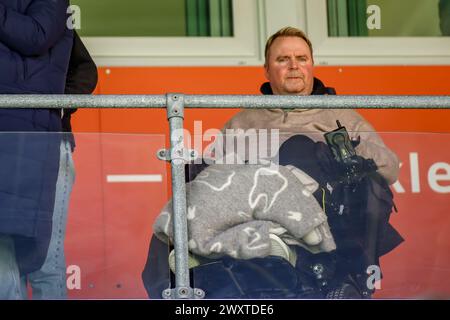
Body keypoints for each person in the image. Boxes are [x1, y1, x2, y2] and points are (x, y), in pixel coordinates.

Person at [142, 27, 403, 299]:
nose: (294, 66)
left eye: (301, 58)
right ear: (267, 70)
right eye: (283, 59)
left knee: (299, 148)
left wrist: (341, 152)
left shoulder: (340, 115)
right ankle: (189, 266)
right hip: (248, 204)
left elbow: (390, 167)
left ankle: (274, 247)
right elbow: (212, 175)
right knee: (186, 200)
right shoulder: (243, 121)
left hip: (315, 209)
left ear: (312, 65)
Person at [0, 0, 73, 299]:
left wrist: (59, 109)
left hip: (29, 138)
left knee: (43, 263)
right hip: (20, 135)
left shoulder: (51, 8)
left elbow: (36, 36)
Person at [21, 31, 98, 300]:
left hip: (52, 143)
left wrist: (57, 107)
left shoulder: (48, 16)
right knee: (5, 259)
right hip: (11, 146)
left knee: (47, 257)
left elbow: (86, 70)